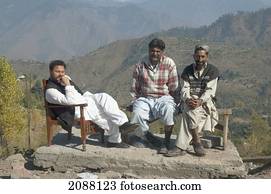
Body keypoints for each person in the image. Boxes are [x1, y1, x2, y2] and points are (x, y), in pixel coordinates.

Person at [45, 60, 138, 148]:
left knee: (104, 97)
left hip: (85, 101)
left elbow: (77, 93)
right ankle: (114, 140)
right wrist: (68, 85)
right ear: (50, 71)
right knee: (105, 114)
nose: (60, 74)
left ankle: (122, 123)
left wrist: (68, 84)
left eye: (62, 72)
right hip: (76, 109)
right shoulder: (51, 91)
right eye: (57, 71)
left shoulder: (64, 80)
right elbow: (71, 101)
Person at [165, 45, 219, 157]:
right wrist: (188, 99)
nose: (200, 59)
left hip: (205, 102)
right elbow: (185, 88)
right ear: (194, 56)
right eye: (197, 56)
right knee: (190, 109)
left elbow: (210, 91)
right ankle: (196, 142)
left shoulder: (213, 71)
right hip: (190, 101)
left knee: (188, 112)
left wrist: (199, 101)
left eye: (202, 57)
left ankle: (181, 146)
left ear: (207, 57)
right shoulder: (188, 70)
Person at [130, 38, 179, 153]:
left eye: (158, 51)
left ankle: (166, 142)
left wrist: (173, 100)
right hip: (145, 97)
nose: (155, 54)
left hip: (163, 97)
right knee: (137, 113)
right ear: (148, 50)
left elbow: (174, 85)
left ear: (162, 52)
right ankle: (149, 137)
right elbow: (135, 85)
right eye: (152, 51)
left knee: (168, 109)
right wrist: (134, 101)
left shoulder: (169, 63)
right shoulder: (141, 64)